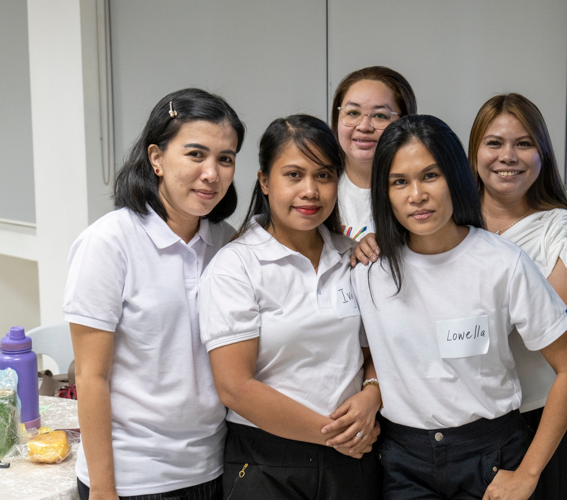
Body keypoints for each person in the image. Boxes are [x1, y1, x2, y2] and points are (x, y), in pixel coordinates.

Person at [351, 114, 567, 499]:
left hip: (490, 455)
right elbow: (363, 355)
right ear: (384, 191)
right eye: (399, 181)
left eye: (430, 175)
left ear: (456, 177)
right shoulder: (368, 271)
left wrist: (528, 474)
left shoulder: (502, 263)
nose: (416, 194)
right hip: (403, 462)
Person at [64, 88, 245, 500]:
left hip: (215, 467)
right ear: (156, 158)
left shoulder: (228, 243)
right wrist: (104, 489)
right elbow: (92, 378)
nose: (211, 173)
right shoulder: (109, 242)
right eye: (195, 154)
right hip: (134, 478)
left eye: (225, 158)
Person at [199, 114, 383, 499]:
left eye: (324, 175)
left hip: (353, 456)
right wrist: (331, 435)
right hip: (268, 461)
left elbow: (376, 347)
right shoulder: (237, 266)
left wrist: (371, 392)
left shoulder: (353, 257)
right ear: (265, 181)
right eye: (294, 175)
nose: (310, 191)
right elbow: (235, 387)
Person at [468, 93, 567, 499]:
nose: (507, 156)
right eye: (494, 143)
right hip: (450, 428)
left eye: (523, 143)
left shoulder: (563, 232)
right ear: (473, 152)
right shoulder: (447, 222)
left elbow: (555, 336)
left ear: (542, 154)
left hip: (529, 425)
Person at [331, 66, 417, 241]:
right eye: (353, 113)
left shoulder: (419, 193)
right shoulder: (319, 188)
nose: (364, 126)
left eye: (380, 116)